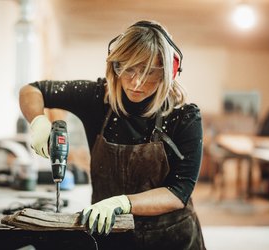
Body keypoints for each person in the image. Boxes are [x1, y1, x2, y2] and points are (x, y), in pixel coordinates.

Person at [19, 20, 206, 250]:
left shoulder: (184, 115)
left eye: (149, 73)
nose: (136, 82)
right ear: (115, 66)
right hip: (109, 236)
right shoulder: (98, 98)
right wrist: (38, 121)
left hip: (171, 239)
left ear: (168, 72)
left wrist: (123, 202)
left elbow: (179, 192)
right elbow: (32, 90)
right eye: (128, 69)